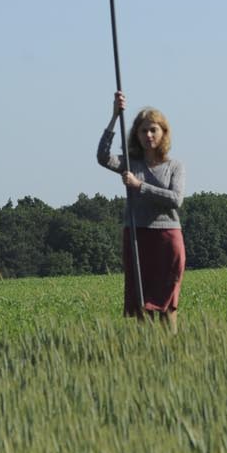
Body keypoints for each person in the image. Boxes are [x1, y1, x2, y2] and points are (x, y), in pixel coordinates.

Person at [97, 90, 186, 329]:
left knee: (168, 302)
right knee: (141, 301)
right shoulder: (130, 162)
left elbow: (176, 199)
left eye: (153, 129)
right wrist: (115, 116)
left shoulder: (174, 166)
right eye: (143, 130)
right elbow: (103, 157)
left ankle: (171, 349)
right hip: (137, 236)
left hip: (167, 237)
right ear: (136, 135)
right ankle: (144, 352)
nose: (148, 135)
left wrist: (140, 186)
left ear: (163, 133)